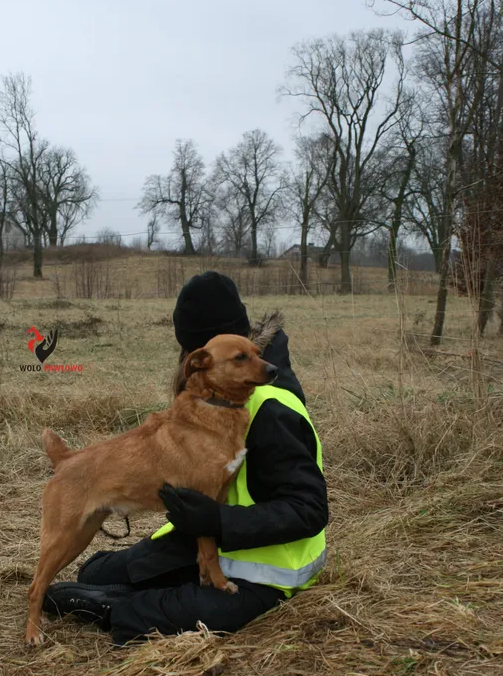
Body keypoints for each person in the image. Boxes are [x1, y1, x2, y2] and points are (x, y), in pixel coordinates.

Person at [44, 271, 329, 645]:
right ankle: (123, 586)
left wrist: (219, 520)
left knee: (157, 612)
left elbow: (309, 510)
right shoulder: (212, 393)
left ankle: (119, 608)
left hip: (266, 569)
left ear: (204, 356)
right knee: (94, 572)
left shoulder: (273, 409)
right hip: (207, 538)